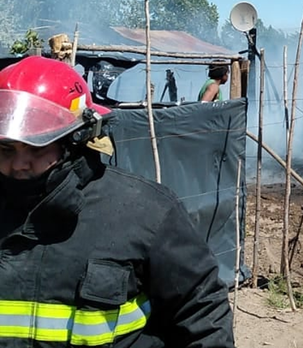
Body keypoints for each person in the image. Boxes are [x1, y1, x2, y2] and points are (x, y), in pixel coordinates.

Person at [0, 56, 234, 347]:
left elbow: (202, 316)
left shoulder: (147, 213)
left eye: (37, 146)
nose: (19, 164)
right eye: (6, 149)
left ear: (76, 138)